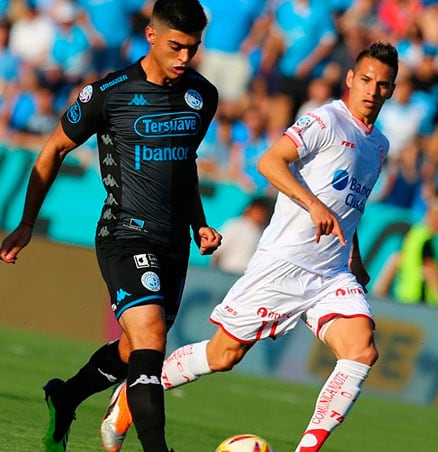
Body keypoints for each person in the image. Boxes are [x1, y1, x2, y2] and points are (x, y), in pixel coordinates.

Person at [99, 41, 398, 452]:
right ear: (350, 79)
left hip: (330, 274)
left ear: (392, 90)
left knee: (361, 350)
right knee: (223, 356)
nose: (372, 90)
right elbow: (269, 162)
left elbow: (349, 207)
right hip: (283, 265)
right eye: (365, 79)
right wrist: (312, 205)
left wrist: (356, 259)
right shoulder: (326, 121)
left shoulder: (378, 145)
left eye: (382, 85)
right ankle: (129, 399)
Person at [0, 1, 220, 451]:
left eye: (192, 49)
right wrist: (25, 223)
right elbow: (54, 149)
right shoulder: (108, 93)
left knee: (132, 349)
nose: (184, 58)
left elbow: (184, 163)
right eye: (176, 46)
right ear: (152, 37)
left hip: (174, 241)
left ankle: (66, 396)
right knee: (152, 338)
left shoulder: (203, 96)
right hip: (124, 232)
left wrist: (199, 223)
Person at [371, 195, 438, 308]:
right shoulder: (426, 239)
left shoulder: (414, 234)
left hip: (403, 297)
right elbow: (430, 270)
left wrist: (380, 287)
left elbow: (397, 258)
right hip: (420, 300)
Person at [211, 196, 274, 274]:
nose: (261, 216)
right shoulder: (235, 225)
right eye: (259, 212)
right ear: (250, 210)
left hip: (247, 276)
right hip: (228, 272)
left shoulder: (263, 231)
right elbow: (218, 251)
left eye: (263, 214)